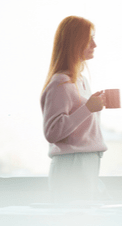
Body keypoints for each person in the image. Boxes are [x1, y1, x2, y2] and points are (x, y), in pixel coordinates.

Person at [41, 16, 108, 203]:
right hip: (73, 165)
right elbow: (52, 133)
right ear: (74, 42)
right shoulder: (61, 82)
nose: (95, 44)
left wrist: (92, 106)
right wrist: (87, 109)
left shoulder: (81, 81)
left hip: (85, 162)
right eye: (89, 39)